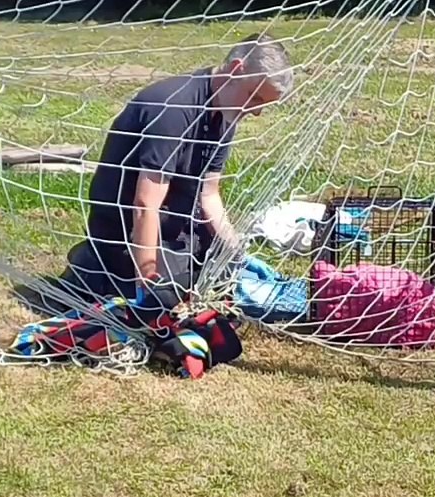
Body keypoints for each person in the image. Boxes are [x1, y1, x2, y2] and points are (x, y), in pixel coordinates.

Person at [57, 33, 294, 311]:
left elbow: (209, 195)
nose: (255, 112)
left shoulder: (226, 112)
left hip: (175, 227)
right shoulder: (174, 109)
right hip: (128, 229)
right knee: (171, 296)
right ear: (236, 69)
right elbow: (145, 205)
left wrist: (236, 255)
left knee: (225, 275)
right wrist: (146, 287)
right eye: (256, 98)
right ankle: (93, 267)